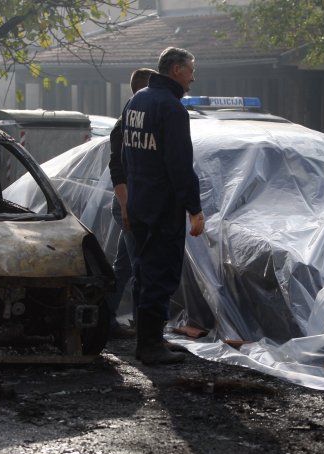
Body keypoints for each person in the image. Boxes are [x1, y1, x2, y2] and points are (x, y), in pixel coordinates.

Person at [121, 47, 205, 365]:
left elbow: (127, 155)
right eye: (190, 70)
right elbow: (179, 165)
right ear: (175, 71)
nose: (193, 77)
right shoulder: (170, 108)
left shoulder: (137, 100)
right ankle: (151, 347)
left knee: (144, 273)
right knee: (160, 274)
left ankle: (150, 341)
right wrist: (194, 209)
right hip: (162, 207)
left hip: (140, 202)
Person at [106, 67, 155, 340]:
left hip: (130, 202)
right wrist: (125, 209)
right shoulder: (126, 125)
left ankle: (107, 318)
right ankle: (142, 326)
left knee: (124, 266)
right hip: (128, 203)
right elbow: (118, 170)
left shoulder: (134, 121)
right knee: (141, 267)